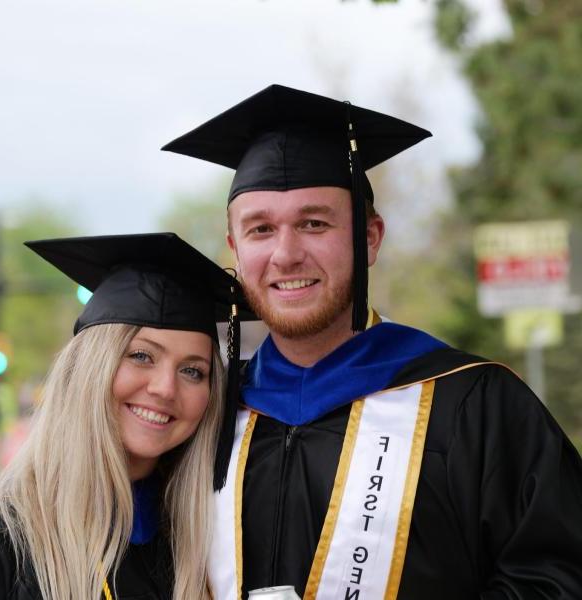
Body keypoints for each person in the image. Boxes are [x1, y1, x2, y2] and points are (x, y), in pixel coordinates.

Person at [162, 85, 582, 599]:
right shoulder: (206, 416)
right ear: (234, 247)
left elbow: (557, 579)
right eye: (260, 229)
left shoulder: (475, 405)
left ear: (370, 238)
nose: (286, 254)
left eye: (314, 224)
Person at [0, 232, 253, 600]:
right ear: (88, 368)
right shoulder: (0, 547)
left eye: (193, 371)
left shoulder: (205, 550)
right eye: (141, 356)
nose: (165, 388)